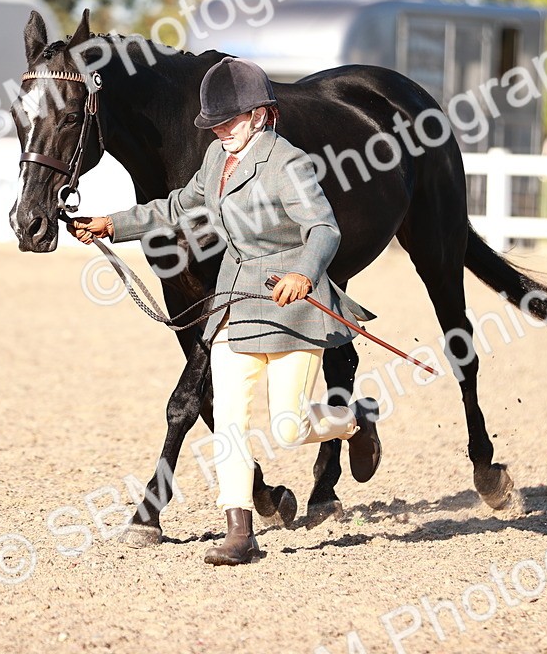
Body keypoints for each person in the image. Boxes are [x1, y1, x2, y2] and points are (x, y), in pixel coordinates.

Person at [67, 56, 381, 566]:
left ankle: (353, 421)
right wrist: (111, 224)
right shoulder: (216, 160)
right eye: (213, 123)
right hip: (234, 302)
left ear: (260, 114)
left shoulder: (289, 164)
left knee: (287, 427)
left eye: (228, 121)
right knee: (230, 418)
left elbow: (324, 230)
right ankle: (240, 531)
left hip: (291, 304)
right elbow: (175, 206)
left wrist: (305, 272)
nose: (218, 131)